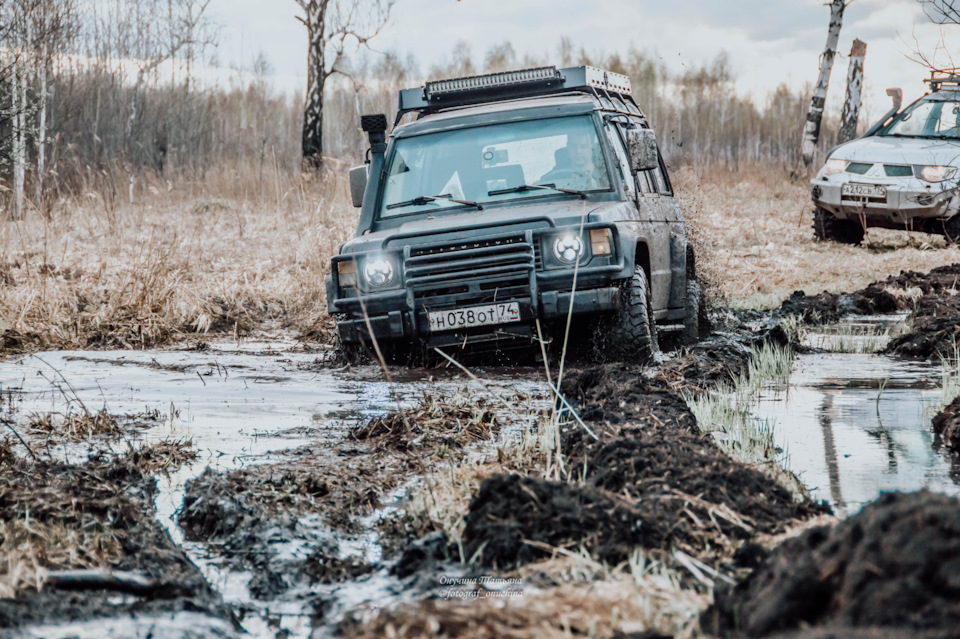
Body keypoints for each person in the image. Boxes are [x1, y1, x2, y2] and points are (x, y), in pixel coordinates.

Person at [540, 129, 605, 190]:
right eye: (573, 146)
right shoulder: (553, 177)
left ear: (592, 147)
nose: (578, 151)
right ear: (568, 146)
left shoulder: (605, 175)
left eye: (583, 146)